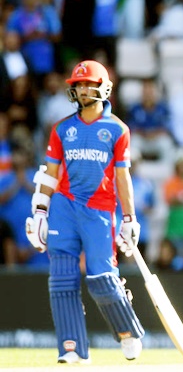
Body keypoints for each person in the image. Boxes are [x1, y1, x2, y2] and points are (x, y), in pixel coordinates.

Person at [24, 60, 144, 364]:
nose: (81, 89)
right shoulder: (62, 129)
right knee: (62, 277)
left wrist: (129, 219)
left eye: (87, 83)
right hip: (64, 206)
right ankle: (72, 347)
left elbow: (122, 177)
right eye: (77, 84)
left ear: (103, 87)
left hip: (99, 209)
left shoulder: (117, 129)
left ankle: (127, 331)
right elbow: (50, 173)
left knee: (102, 278)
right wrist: (40, 211)